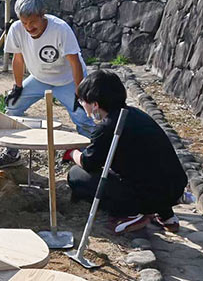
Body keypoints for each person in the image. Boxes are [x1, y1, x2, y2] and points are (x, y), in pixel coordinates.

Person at [64, 70, 188, 234]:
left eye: (82, 101)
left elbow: (89, 163)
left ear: (95, 104)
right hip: (174, 188)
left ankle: (132, 213)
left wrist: (72, 153)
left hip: (146, 194)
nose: (82, 104)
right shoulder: (136, 114)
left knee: (76, 175)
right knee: (142, 170)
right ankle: (167, 216)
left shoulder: (107, 127)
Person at [0, 0, 95, 168]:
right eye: (24, 22)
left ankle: (89, 156)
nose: (28, 27)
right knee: (12, 107)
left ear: (42, 15)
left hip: (67, 79)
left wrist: (80, 93)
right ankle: (11, 152)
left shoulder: (60, 29)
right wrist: (18, 86)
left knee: (82, 117)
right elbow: (18, 59)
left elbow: (75, 63)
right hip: (39, 78)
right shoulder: (16, 29)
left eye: (32, 22)